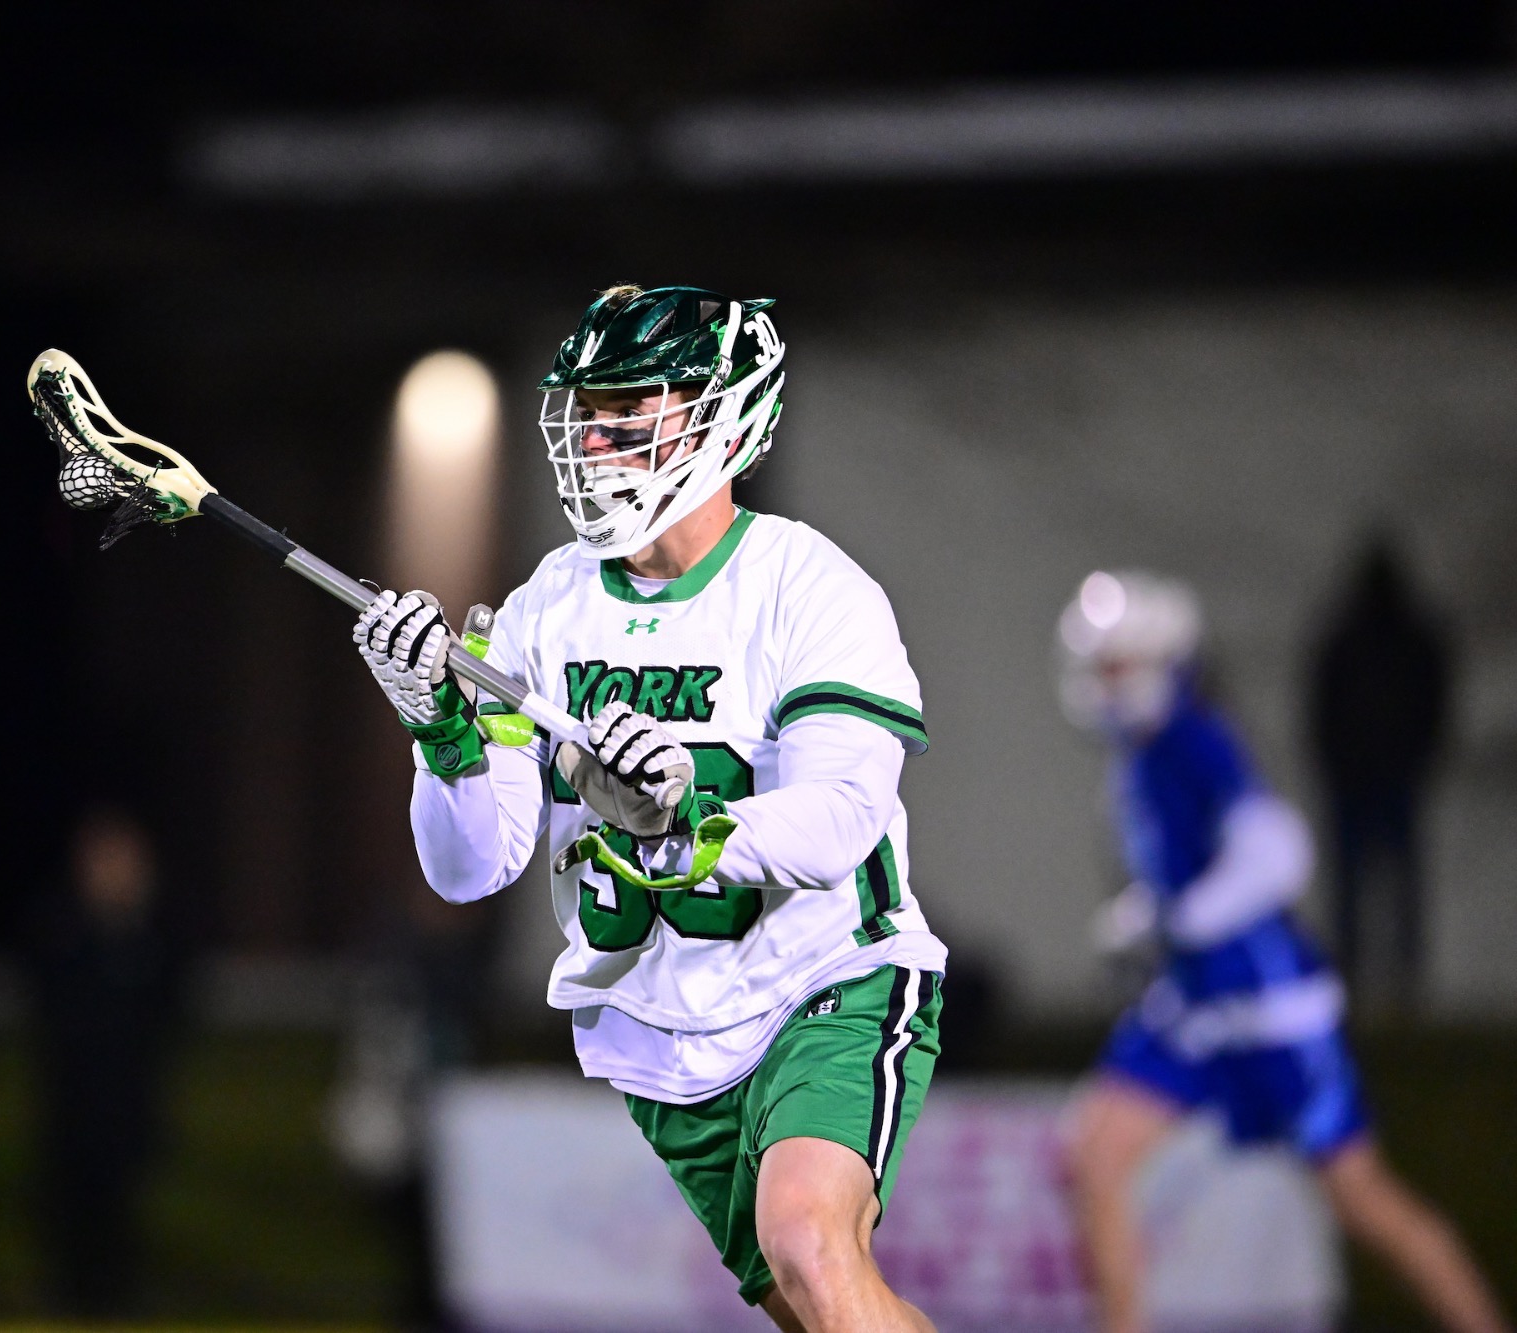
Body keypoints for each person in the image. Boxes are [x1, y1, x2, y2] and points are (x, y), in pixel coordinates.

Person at [351, 285, 945, 1332]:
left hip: (820, 978)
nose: (593, 436)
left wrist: (685, 825)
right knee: (811, 1301)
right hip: (660, 1025)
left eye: (627, 407)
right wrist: (439, 733)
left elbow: (840, 818)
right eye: (586, 410)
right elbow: (470, 866)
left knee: (808, 1241)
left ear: (724, 416)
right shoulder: (544, 609)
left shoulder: (808, 587)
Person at [1055, 570, 1506, 1333]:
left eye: (1119, 664)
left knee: (1362, 1198)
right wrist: (1149, 917)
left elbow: (1278, 852)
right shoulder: (1140, 756)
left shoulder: (1194, 739)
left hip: (1267, 1009)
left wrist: (1188, 916)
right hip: (1195, 1007)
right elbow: (1188, 874)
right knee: (1095, 1155)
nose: (1106, 682)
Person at [29, 805, 182, 1319]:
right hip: (73, 1104)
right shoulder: (61, 931)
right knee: (71, 1219)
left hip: (130, 1101)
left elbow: (173, 1006)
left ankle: (117, 1296)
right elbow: (49, 1003)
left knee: (122, 1219)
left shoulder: (154, 936)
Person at [1309, 537, 1453, 1010]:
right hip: (1375, 776)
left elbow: (1324, 707)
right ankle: (1387, 975)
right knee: (1382, 883)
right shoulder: (1409, 638)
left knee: (1374, 884)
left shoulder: (1351, 638)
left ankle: (1386, 975)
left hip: (1375, 776)